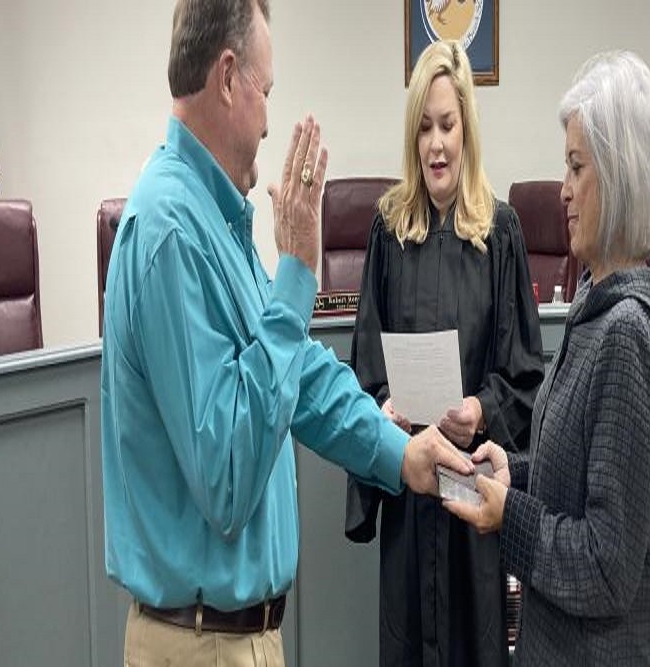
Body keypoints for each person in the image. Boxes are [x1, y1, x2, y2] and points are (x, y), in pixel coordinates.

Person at [100, 1, 473, 665]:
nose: (271, 119)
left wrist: (399, 452)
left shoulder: (213, 220)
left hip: (232, 638)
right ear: (226, 78)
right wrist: (297, 271)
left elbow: (294, 373)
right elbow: (229, 478)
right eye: (266, 92)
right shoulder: (171, 230)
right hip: (199, 643)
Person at [444, 51, 650, 666]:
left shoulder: (627, 335)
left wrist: (510, 517)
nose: (564, 189)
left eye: (578, 167)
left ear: (619, 173)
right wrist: (514, 472)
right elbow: (580, 478)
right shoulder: (594, 307)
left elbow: (607, 568)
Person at [345, 40, 545, 666]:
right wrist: (383, 409)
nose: (436, 144)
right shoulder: (387, 230)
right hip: (410, 493)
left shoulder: (500, 232)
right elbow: (365, 370)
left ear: (467, 130)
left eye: (448, 126)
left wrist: (479, 411)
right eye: (425, 128)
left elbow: (524, 375)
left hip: (470, 493)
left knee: (473, 646)